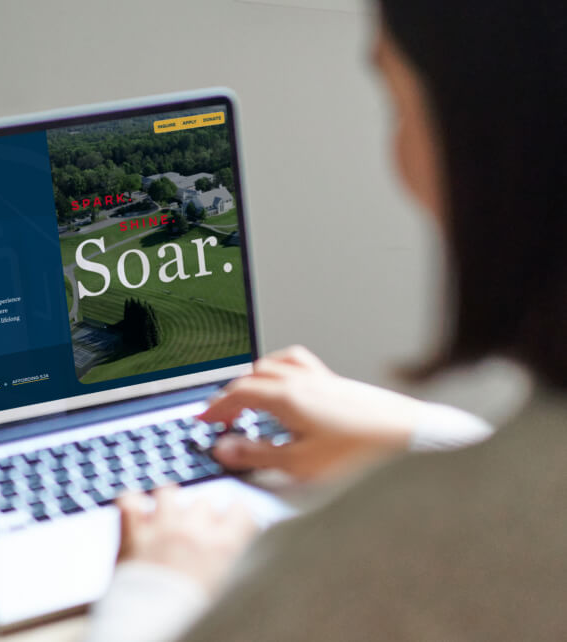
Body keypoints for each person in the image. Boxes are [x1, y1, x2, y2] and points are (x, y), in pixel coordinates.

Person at [86, 2, 567, 640]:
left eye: (400, 104)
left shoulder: (383, 562)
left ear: (496, 133)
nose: (398, 161)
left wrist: (156, 587)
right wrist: (423, 431)